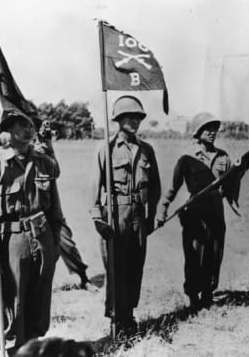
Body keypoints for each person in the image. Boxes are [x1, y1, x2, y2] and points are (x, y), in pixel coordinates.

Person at [0, 110, 63, 351]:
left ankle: (34, 349)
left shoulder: (44, 162)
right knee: (13, 305)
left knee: (39, 304)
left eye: (31, 125)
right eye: (22, 124)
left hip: (42, 237)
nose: (29, 129)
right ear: (9, 129)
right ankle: (15, 350)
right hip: (11, 241)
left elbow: (55, 208)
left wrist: (55, 243)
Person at [91, 95, 161, 333]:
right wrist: (97, 217)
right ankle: (117, 318)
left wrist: (151, 217)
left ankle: (129, 314)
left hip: (138, 215)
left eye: (138, 117)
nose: (135, 121)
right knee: (116, 268)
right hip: (115, 213)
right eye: (129, 117)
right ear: (118, 119)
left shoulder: (146, 150)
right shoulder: (106, 149)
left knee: (135, 266)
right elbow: (95, 186)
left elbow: (155, 187)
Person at [156, 112, 235, 311]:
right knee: (194, 254)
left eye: (214, 129)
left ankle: (208, 293)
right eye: (207, 129)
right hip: (194, 212)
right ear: (197, 132)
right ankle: (193, 295)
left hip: (216, 211)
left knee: (214, 252)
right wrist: (163, 210)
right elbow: (173, 188)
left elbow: (230, 185)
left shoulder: (224, 157)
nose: (212, 133)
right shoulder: (186, 157)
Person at [33, 126, 92, 290]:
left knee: (67, 243)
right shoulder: (24, 152)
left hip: (52, 209)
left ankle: (82, 277)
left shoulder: (44, 151)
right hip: (34, 212)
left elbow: (56, 171)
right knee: (39, 252)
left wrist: (49, 149)